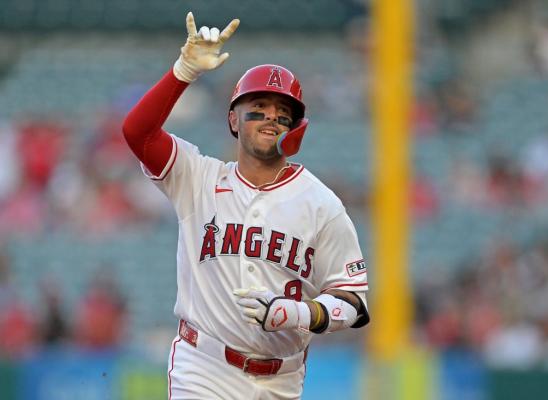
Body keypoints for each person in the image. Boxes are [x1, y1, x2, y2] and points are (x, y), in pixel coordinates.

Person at [122, 12, 369, 400]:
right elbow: (137, 132)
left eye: (283, 112)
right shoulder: (198, 178)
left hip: (282, 379)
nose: (271, 116)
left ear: (295, 128)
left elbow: (352, 302)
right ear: (233, 120)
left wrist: (298, 313)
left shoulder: (322, 204)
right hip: (204, 368)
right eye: (259, 106)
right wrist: (183, 71)